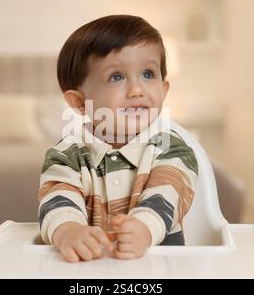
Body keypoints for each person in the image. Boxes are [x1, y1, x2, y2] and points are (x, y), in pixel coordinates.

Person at [38, 14, 198, 263]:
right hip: (90, 272)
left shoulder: (171, 148)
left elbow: (167, 193)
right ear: (80, 102)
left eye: (148, 74)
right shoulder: (66, 155)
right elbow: (59, 199)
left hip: (160, 268)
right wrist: (68, 231)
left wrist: (144, 228)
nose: (137, 90)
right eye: (116, 77)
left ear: (163, 90)